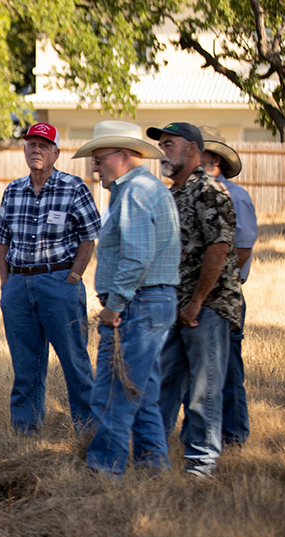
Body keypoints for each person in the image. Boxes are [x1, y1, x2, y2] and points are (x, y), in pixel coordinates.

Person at [72, 121, 180, 477]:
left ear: (123, 155)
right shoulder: (143, 189)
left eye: (99, 157)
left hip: (137, 304)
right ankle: (153, 469)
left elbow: (136, 257)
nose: (94, 165)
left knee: (113, 391)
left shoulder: (134, 191)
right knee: (142, 392)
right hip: (153, 301)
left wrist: (114, 306)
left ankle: (105, 471)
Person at [147, 122, 242, 478]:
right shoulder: (172, 194)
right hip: (175, 305)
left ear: (193, 149)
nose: (163, 151)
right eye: (162, 145)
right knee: (166, 382)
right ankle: (152, 455)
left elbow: (219, 248)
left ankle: (201, 464)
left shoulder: (210, 191)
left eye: (169, 144)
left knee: (204, 386)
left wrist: (196, 302)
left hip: (208, 307)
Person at [0, 122, 101, 434]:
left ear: (56, 153)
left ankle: (88, 430)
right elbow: (2, 240)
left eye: (43, 146)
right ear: (24, 151)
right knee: (25, 365)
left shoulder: (74, 187)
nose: (36, 151)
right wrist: (5, 284)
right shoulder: (13, 190)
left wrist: (74, 277)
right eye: (31, 145)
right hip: (18, 285)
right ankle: (25, 429)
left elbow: (89, 237)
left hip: (59, 284)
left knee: (74, 361)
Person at [199, 125, 257, 448]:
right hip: (193, 295)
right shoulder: (189, 192)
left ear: (215, 160)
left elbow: (244, 246)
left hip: (225, 295)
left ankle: (234, 434)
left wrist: (222, 281)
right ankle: (200, 432)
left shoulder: (236, 196)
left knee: (229, 366)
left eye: (200, 152)